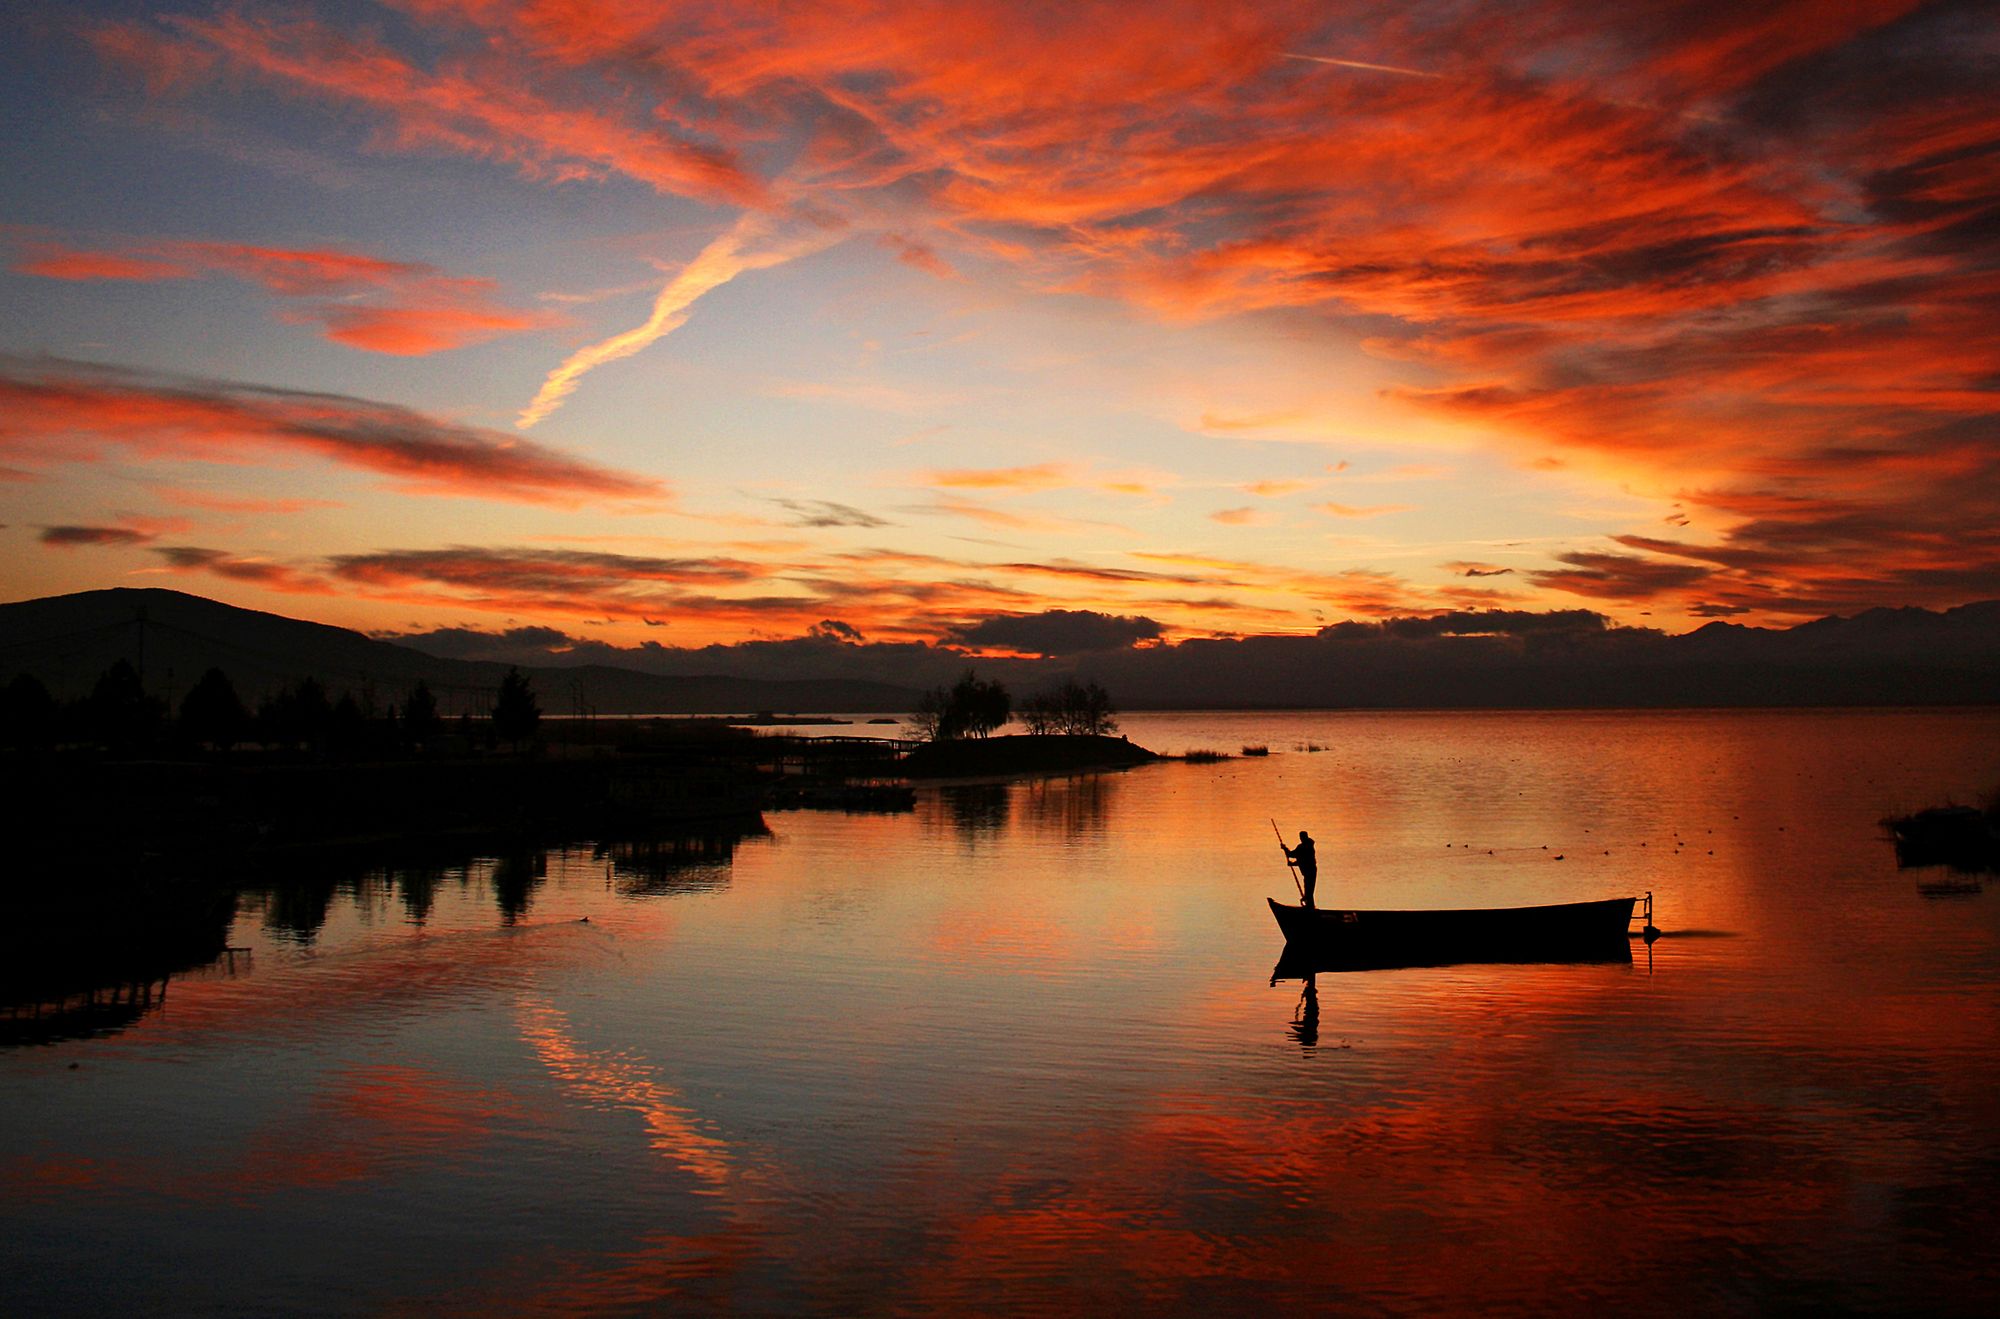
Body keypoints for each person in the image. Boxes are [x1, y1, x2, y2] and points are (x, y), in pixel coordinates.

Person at [1283, 830, 1317, 908]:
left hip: (1310, 872)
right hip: (1310, 871)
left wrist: (1285, 848)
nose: (1301, 839)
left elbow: (1291, 854)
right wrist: (1293, 863)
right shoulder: (1308, 846)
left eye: (1301, 837)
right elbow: (1302, 860)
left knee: (1309, 890)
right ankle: (1310, 906)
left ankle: (1310, 908)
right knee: (1309, 890)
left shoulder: (1303, 847)